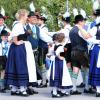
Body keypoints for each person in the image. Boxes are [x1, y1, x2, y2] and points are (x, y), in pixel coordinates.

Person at [4, 9, 37, 97]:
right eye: (26, 15)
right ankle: (22, 89)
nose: (27, 17)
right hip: (18, 48)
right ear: (22, 16)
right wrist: (17, 42)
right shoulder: (18, 25)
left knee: (17, 66)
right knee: (21, 66)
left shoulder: (22, 25)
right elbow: (14, 36)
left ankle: (14, 89)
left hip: (19, 48)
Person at [78, 9, 100, 97]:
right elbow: (87, 37)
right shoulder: (96, 27)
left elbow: (87, 37)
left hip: (97, 49)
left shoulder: (96, 27)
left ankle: (98, 90)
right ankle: (98, 90)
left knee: (97, 68)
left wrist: (80, 28)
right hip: (97, 49)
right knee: (97, 68)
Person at [69, 15, 89, 95]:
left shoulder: (71, 30)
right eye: (83, 21)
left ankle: (73, 89)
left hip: (73, 51)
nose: (84, 23)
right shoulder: (80, 30)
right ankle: (87, 88)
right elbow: (87, 37)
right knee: (87, 69)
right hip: (81, 52)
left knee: (75, 70)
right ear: (80, 22)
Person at [50, 33, 72, 98]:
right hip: (59, 63)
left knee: (57, 76)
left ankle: (60, 91)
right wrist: (61, 56)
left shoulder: (54, 45)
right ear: (62, 39)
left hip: (55, 62)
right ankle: (55, 92)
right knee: (59, 76)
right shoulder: (60, 46)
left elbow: (51, 52)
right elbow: (59, 55)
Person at [38, 14, 52, 88]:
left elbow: (45, 38)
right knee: (40, 63)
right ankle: (44, 79)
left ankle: (44, 82)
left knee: (41, 63)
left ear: (42, 21)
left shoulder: (44, 28)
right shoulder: (40, 27)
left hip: (43, 47)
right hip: (40, 47)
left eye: (39, 20)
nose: (38, 21)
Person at [59, 11, 72, 76]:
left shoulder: (64, 30)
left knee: (65, 61)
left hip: (65, 46)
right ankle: (70, 77)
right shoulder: (72, 28)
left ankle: (68, 77)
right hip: (72, 46)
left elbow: (63, 40)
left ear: (64, 21)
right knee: (69, 61)